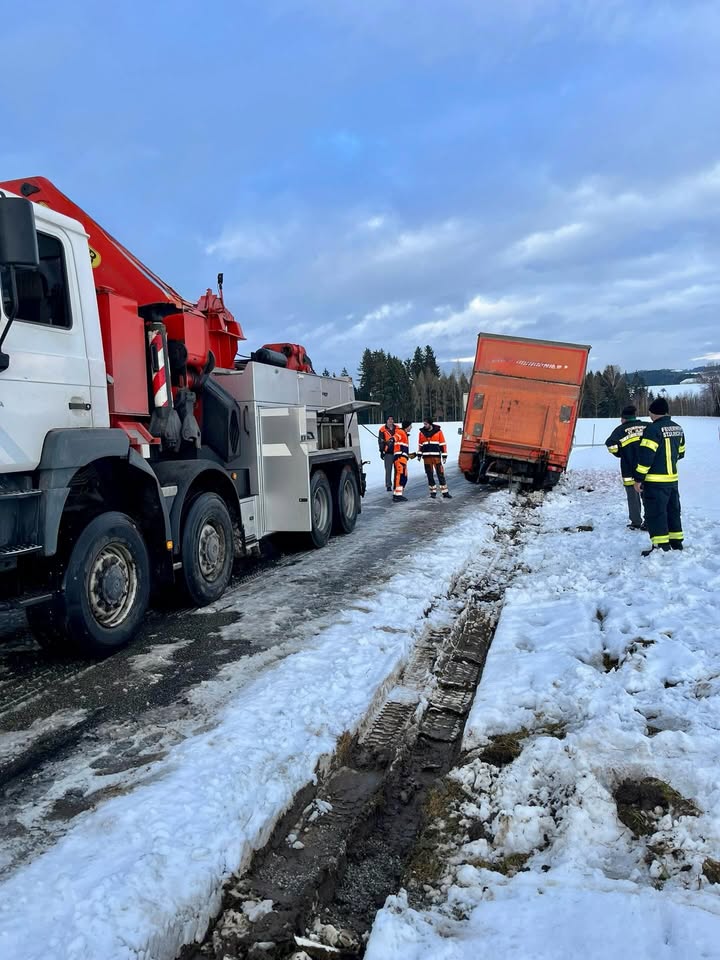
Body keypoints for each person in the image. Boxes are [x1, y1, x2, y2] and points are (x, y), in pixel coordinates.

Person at [633, 396, 686, 556]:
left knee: (656, 513)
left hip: (655, 481)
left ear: (653, 413)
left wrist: (638, 479)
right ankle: (676, 542)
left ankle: (661, 546)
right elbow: (681, 453)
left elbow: (646, 458)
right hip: (672, 480)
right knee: (673, 511)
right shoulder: (678, 428)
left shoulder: (652, 430)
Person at [604, 404, 647, 530]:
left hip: (629, 469)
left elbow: (610, 444)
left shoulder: (620, 430)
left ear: (624, 418)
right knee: (648, 496)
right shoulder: (647, 426)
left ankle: (636, 521)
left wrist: (619, 453)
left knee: (633, 496)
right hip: (647, 468)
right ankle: (650, 521)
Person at [417, 417, 452, 499]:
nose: (424, 425)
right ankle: (433, 493)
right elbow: (420, 445)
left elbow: (442, 444)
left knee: (440, 474)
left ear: (430, 424)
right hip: (426, 458)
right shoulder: (421, 433)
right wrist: (419, 454)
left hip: (436, 457)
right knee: (429, 475)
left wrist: (444, 455)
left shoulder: (438, 432)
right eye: (424, 424)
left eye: (426, 424)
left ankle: (445, 492)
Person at [392, 421, 413, 503]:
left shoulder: (404, 434)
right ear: (407, 426)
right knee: (400, 476)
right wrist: (391, 439)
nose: (411, 427)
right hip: (400, 458)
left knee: (403, 477)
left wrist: (408, 455)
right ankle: (398, 495)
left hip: (402, 458)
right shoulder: (401, 432)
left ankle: (397, 494)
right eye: (410, 426)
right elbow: (395, 437)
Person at [378, 416, 397, 492]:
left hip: (397, 451)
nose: (390, 421)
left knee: (397, 470)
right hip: (388, 452)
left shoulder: (397, 428)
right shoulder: (382, 429)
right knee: (388, 470)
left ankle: (396, 484)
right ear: (386, 421)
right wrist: (381, 451)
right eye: (389, 419)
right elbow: (380, 441)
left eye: (392, 419)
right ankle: (388, 485)